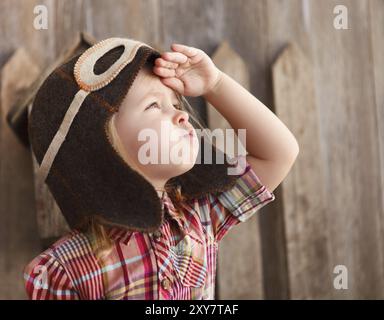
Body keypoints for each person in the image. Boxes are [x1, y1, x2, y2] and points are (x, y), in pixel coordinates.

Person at [23, 37, 298, 300]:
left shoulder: (199, 216)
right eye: (154, 105)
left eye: (176, 104)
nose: (182, 115)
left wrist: (215, 84)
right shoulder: (64, 271)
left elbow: (279, 153)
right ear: (98, 142)